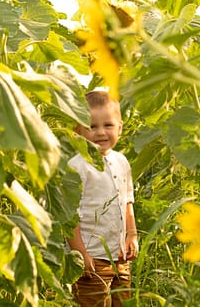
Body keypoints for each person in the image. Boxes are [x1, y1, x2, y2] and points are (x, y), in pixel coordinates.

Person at [67, 90, 138, 306]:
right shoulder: (77, 167)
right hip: (92, 258)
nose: (100, 133)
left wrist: (132, 235)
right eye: (92, 126)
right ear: (78, 129)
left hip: (120, 257)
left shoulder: (122, 162)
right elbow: (69, 216)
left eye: (108, 125)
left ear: (120, 127)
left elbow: (126, 201)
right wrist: (80, 253)